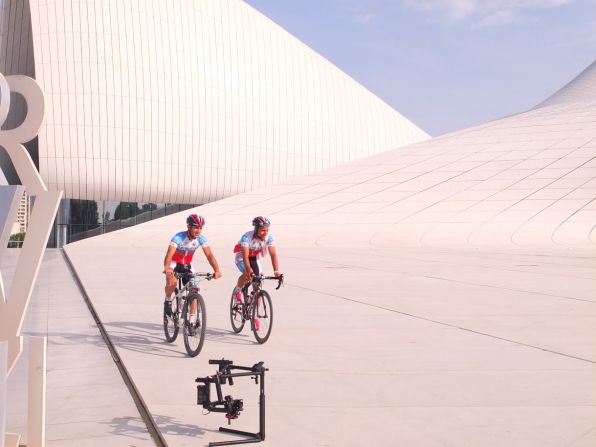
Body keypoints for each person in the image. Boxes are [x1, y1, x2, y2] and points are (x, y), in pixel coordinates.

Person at [163, 214, 222, 323]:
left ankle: (191, 320)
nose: (198, 230)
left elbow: (209, 255)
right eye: (196, 227)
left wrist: (217, 270)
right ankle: (167, 300)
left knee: (194, 290)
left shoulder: (201, 239)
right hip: (174, 264)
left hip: (188, 266)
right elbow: (169, 254)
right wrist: (167, 268)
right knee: (172, 282)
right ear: (189, 227)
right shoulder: (178, 237)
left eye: (200, 228)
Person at [232, 216, 282, 310]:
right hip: (242, 258)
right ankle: (237, 291)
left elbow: (273, 255)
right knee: (247, 274)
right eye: (263, 230)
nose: (265, 233)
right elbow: (245, 256)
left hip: (254, 258)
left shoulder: (269, 237)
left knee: (257, 284)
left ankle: (255, 315)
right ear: (256, 229)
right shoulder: (246, 237)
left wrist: (276, 271)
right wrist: (249, 270)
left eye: (267, 230)